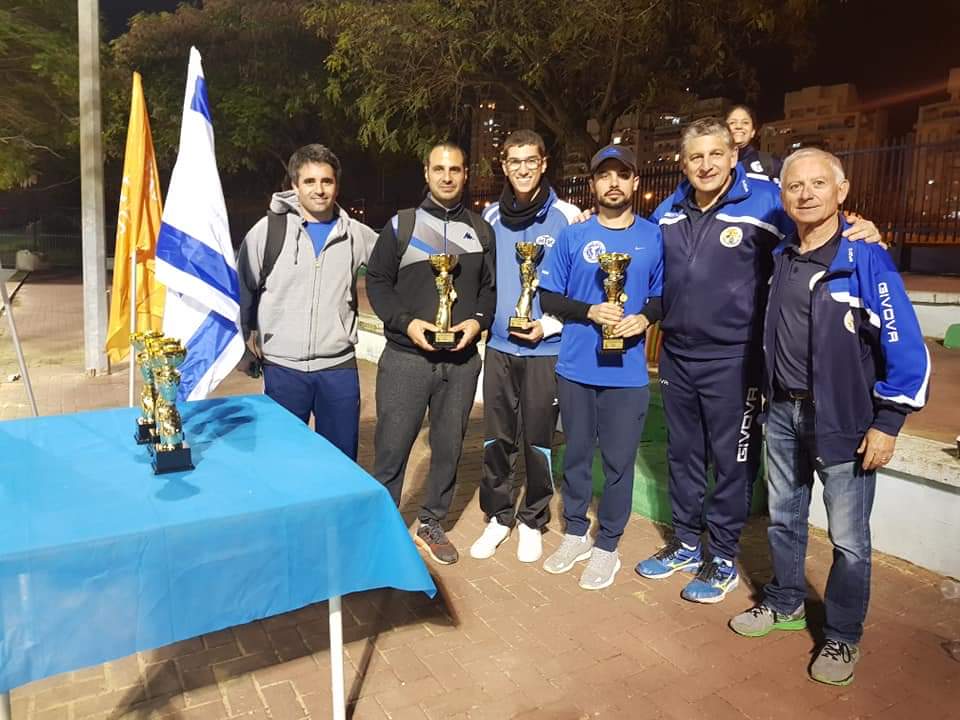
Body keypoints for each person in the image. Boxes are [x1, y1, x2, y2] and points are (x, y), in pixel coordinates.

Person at [636, 118, 882, 604]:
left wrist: (859, 226)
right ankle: (686, 543)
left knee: (731, 462)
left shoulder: (767, 201)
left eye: (716, 154)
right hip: (678, 354)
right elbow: (642, 249)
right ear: (683, 164)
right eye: (695, 157)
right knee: (683, 454)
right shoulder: (669, 210)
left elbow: (818, 226)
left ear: (733, 156)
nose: (706, 165)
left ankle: (722, 556)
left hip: (736, 359)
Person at [729, 148, 929, 686]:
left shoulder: (866, 258)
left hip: (844, 420)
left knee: (849, 540)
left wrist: (888, 423)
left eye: (819, 184)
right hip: (782, 413)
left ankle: (843, 635)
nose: (806, 194)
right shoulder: (782, 256)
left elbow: (905, 347)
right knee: (784, 518)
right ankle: (786, 601)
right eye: (795, 186)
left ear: (842, 192)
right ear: (783, 195)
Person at [537, 144, 663, 590]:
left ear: (635, 182)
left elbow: (662, 296)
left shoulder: (653, 237)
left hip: (627, 374)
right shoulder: (574, 236)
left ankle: (607, 545)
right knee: (575, 455)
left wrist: (644, 317)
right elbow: (547, 297)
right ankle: (575, 532)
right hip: (576, 367)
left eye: (622, 175)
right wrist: (589, 311)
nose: (613, 183)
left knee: (618, 462)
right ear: (593, 184)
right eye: (604, 175)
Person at [365, 141, 496, 565]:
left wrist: (477, 323)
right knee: (391, 447)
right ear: (426, 172)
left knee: (448, 447)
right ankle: (383, 525)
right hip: (407, 359)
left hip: (460, 362)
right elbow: (377, 282)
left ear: (465, 174)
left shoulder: (481, 230)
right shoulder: (402, 225)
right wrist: (407, 323)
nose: (447, 176)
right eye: (439, 168)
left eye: (455, 169)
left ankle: (431, 521)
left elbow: (490, 291)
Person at [469, 129, 579, 564]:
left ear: (544, 163)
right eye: (514, 161)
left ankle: (533, 518)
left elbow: (578, 288)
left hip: (545, 351)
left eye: (530, 160)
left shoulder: (568, 217)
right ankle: (499, 515)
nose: (523, 169)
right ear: (504, 165)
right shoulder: (491, 216)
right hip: (499, 347)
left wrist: (548, 326)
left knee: (538, 439)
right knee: (496, 437)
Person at [237, 144, 377, 460]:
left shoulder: (357, 234)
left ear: (336, 185)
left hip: (338, 367)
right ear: (295, 185)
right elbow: (243, 289)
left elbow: (395, 269)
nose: (319, 189)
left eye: (327, 181)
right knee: (282, 460)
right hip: (283, 368)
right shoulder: (267, 231)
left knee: (340, 462)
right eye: (310, 181)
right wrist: (240, 349)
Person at [725, 104, 782, 183]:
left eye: (745, 122)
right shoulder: (715, 162)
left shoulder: (770, 162)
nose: (738, 126)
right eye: (732, 123)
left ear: (753, 132)